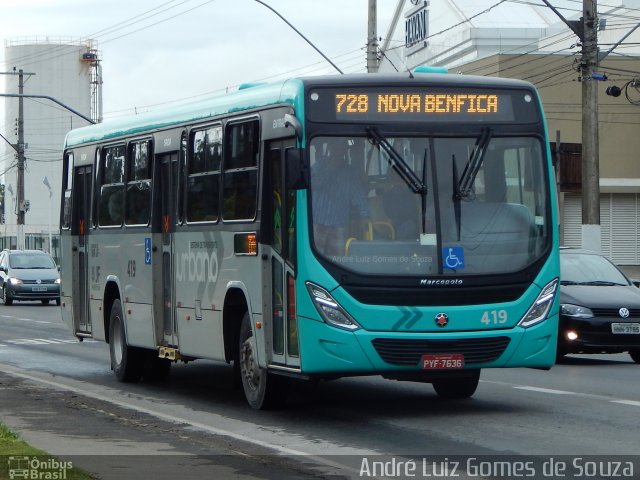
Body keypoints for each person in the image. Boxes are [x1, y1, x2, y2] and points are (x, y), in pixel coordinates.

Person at [311, 139, 370, 257]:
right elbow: (314, 183)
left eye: (342, 148)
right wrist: (332, 167)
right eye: (336, 148)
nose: (339, 151)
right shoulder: (320, 164)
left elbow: (359, 196)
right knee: (316, 258)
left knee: (338, 260)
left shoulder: (350, 172)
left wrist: (365, 216)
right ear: (331, 148)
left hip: (339, 225)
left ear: (345, 151)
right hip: (318, 223)